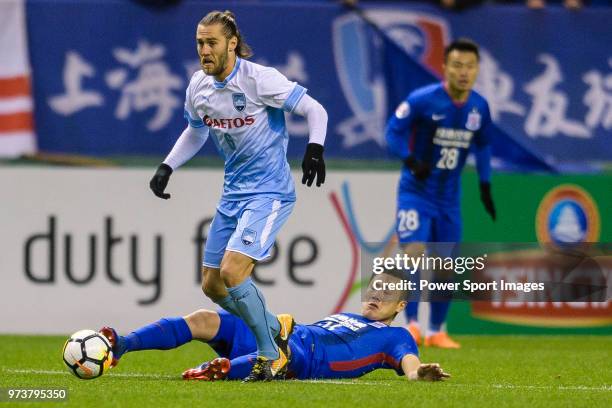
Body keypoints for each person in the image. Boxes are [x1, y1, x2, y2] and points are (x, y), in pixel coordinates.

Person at [148, 10, 328, 381]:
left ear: (232, 43)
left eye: (211, 42)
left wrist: (315, 148)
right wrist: (168, 166)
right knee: (212, 284)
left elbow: (314, 108)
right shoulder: (198, 85)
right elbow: (195, 131)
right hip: (232, 195)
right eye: (199, 42)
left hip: (270, 192)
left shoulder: (260, 80)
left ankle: (269, 353)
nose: (204, 50)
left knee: (232, 271)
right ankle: (275, 330)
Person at [99, 270, 450, 382]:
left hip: (304, 355)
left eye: (387, 292)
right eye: (374, 287)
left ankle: (220, 370)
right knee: (203, 319)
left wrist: (419, 374)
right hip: (288, 333)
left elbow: (409, 363)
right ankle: (121, 345)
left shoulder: (395, 335)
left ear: (402, 306)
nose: (376, 295)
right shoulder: (349, 315)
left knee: (281, 343)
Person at [384, 38, 496, 349]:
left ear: (476, 70)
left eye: (470, 67)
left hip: (449, 198)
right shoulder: (422, 100)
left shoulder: (479, 107)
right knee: (415, 254)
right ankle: (413, 325)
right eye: (457, 65)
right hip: (416, 193)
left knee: (446, 264)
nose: (464, 72)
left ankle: (437, 330)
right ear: (445, 67)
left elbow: (484, 145)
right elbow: (392, 130)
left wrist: (485, 185)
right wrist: (409, 160)